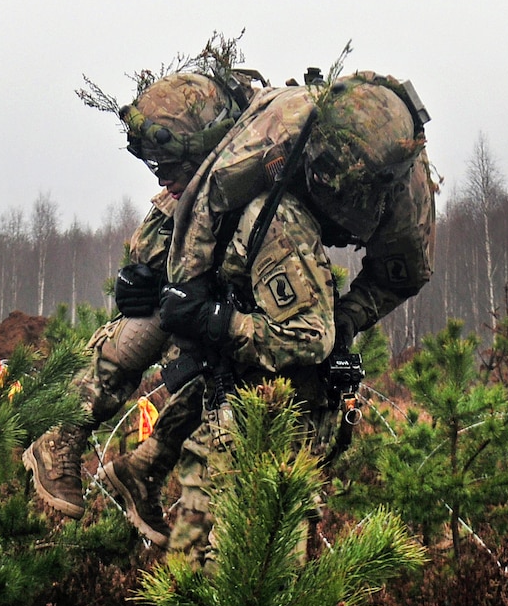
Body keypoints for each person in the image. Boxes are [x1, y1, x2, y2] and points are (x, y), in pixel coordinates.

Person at [98, 71, 437, 559]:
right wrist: (167, 275)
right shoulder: (279, 129)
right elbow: (202, 195)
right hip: (249, 246)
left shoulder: (407, 206)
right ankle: (113, 450)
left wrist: (343, 320)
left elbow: (400, 277)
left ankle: (162, 476)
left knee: (265, 502)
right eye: (322, 173)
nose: (326, 186)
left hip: (294, 310)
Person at [21, 71, 255, 524]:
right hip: (209, 297)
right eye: (156, 167)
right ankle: (63, 432)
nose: (164, 178)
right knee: (159, 312)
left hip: (254, 307)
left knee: (236, 360)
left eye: (172, 166)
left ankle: (147, 466)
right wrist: (144, 273)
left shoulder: (255, 172)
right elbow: (155, 234)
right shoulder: (193, 178)